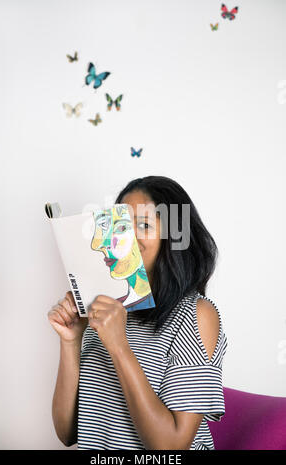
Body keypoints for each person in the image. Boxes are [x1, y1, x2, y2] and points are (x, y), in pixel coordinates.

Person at [48, 175, 228, 450]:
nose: (127, 238)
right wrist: (71, 340)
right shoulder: (109, 309)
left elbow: (171, 447)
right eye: (121, 225)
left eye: (143, 225)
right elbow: (68, 432)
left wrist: (119, 346)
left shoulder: (196, 315)